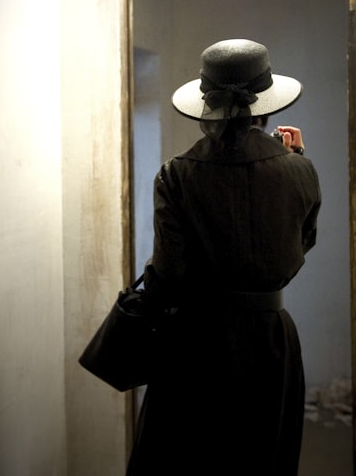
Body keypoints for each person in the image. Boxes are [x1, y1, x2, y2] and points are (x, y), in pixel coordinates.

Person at [127, 38, 322, 476]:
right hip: (271, 341)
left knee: (187, 462)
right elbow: (298, 249)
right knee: (263, 460)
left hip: (195, 343)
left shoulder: (176, 173)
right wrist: (295, 163)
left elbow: (167, 276)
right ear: (265, 107)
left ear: (206, 109)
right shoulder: (299, 169)